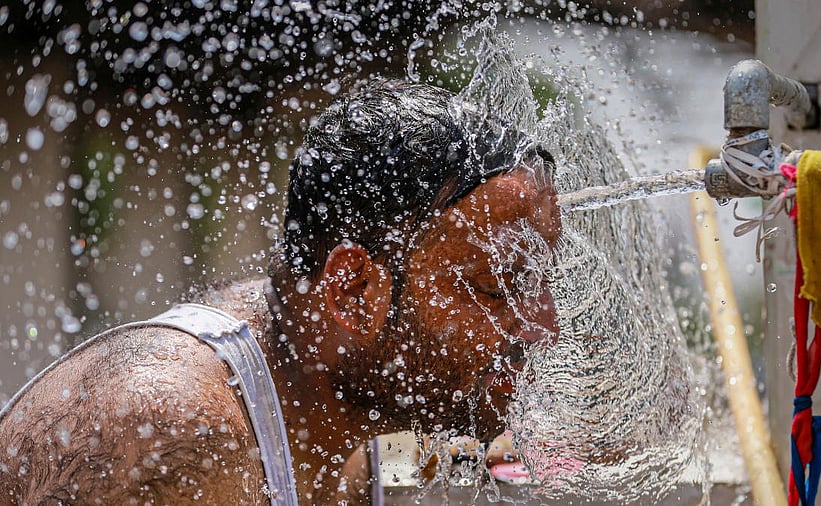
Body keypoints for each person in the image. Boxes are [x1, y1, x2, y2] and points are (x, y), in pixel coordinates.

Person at [0, 80, 561, 505]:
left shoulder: (334, 404)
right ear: (354, 290)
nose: (544, 326)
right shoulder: (175, 440)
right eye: (498, 286)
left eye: (541, 284)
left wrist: (530, 457)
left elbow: (411, 460)